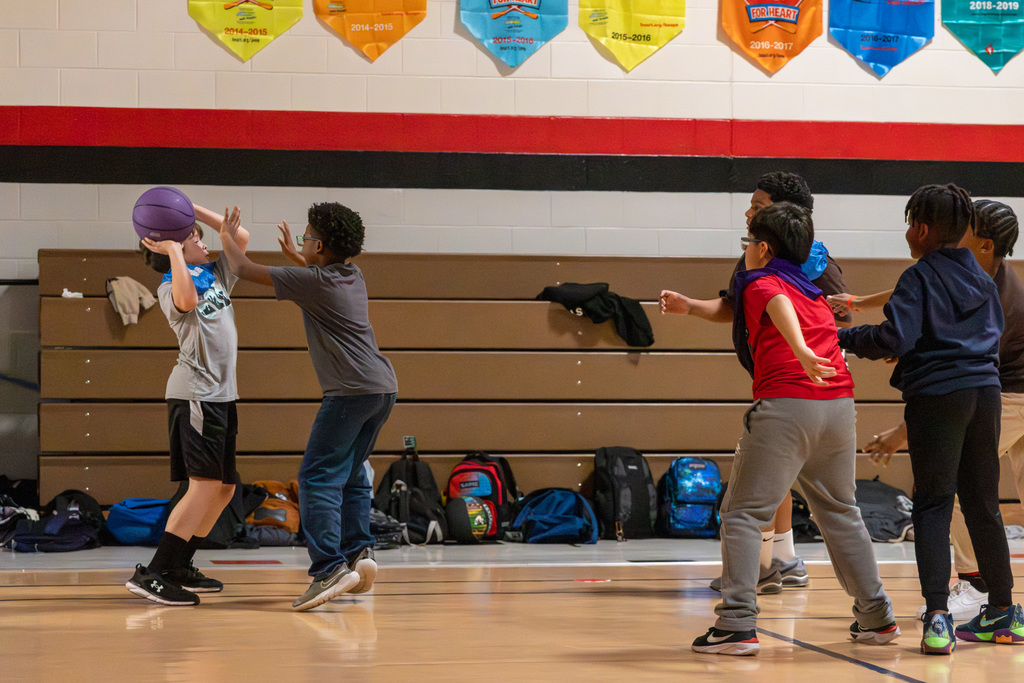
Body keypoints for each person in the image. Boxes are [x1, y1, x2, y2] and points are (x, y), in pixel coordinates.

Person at [686, 203, 898, 656]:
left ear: (762, 248)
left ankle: (736, 625)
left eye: (747, 245)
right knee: (841, 512)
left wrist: (798, 348)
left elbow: (772, 298)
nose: (745, 253)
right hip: (840, 406)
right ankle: (877, 617)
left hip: (788, 405)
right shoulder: (816, 293)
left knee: (743, 513)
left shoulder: (764, 281)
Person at [837, 184, 1024, 655]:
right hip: (986, 396)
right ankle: (1005, 612)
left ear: (920, 229)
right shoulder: (984, 278)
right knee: (984, 505)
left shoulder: (918, 276)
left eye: (908, 224)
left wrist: (847, 338)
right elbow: (986, 333)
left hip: (939, 397)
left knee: (934, 504)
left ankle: (937, 617)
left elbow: (893, 336)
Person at [661, 171, 851, 593]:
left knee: (760, 491)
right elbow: (739, 303)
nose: (748, 212)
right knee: (778, 483)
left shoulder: (814, 262)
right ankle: (782, 561)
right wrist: (689, 306)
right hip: (781, 385)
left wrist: (801, 351)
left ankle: (755, 584)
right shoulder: (756, 255)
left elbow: (834, 316)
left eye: (758, 206)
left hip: (803, 391)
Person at [217, 202, 398, 611]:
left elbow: (243, 269)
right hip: (382, 390)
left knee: (316, 478)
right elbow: (315, 274)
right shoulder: (351, 274)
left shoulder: (312, 283)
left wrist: (226, 238)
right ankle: (359, 554)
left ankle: (328, 569)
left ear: (320, 244)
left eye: (306, 237)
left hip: (350, 393)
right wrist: (300, 257)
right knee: (351, 475)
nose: (302, 241)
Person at [126, 204, 249, 606]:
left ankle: (179, 564)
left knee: (225, 488)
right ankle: (155, 573)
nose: (202, 240)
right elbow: (186, 299)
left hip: (222, 396)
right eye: (193, 237)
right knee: (203, 486)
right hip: (195, 395)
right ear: (173, 250)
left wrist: (187, 206)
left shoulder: (215, 275)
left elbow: (240, 239)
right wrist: (176, 250)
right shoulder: (170, 287)